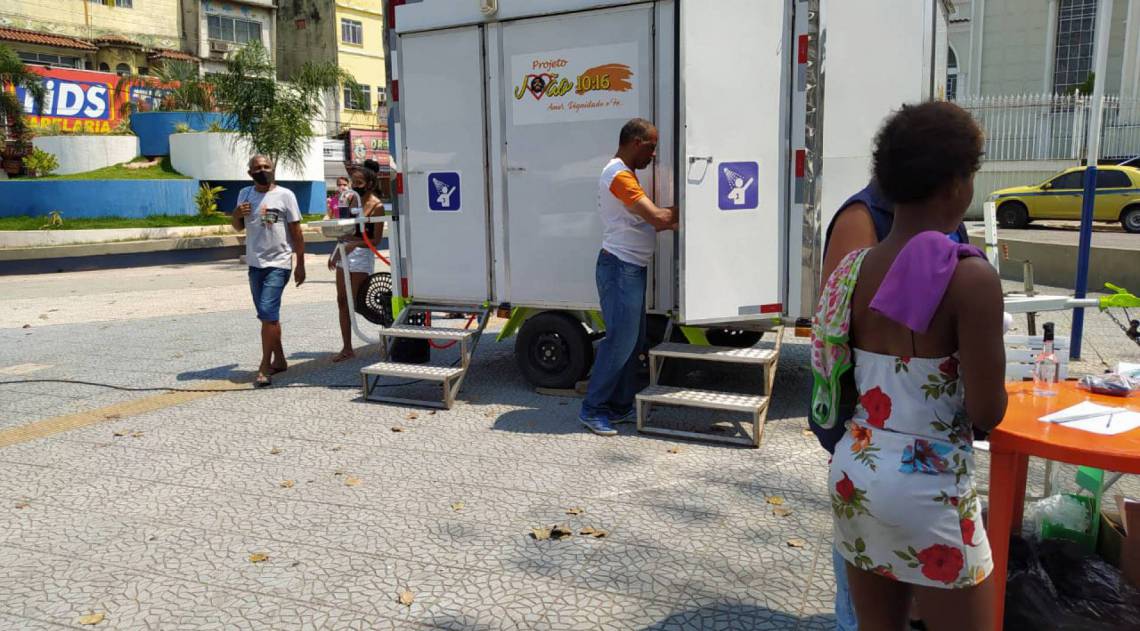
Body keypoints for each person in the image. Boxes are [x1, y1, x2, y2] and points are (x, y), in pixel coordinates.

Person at [812, 101, 1006, 630]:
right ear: (955, 185)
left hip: (859, 469)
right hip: (931, 484)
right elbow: (989, 409)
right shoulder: (971, 279)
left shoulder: (852, 268)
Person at [819, 184, 971, 631]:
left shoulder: (945, 224)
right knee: (868, 591)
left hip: (924, 445)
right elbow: (842, 333)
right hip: (875, 434)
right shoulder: (863, 219)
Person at [579, 118, 676, 436]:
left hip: (628, 268)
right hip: (620, 268)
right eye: (651, 147)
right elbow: (658, 219)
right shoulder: (618, 175)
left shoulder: (625, 173)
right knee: (619, 342)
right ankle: (592, 410)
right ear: (636, 143)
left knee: (632, 342)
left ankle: (619, 406)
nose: (654, 155)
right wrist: (694, 210)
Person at [231, 155, 307, 387]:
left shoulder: (286, 195)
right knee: (268, 317)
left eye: (266, 167)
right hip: (255, 264)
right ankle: (281, 360)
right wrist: (236, 214)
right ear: (249, 172)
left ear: (273, 169)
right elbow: (237, 226)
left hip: (279, 262)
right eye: (257, 168)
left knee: (267, 311)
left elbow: (296, 231)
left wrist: (300, 263)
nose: (262, 170)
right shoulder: (244, 194)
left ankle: (265, 366)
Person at [330, 166, 385, 362]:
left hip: (361, 254)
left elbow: (376, 239)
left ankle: (388, 330)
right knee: (342, 301)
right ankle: (347, 347)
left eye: (359, 183)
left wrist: (355, 244)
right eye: (353, 183)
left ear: (369, 184)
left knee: (358, 302)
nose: (355, 187)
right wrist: (336, 251)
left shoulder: (376, 205)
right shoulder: (352, 200)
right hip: (346, 250)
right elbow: (345, 229)